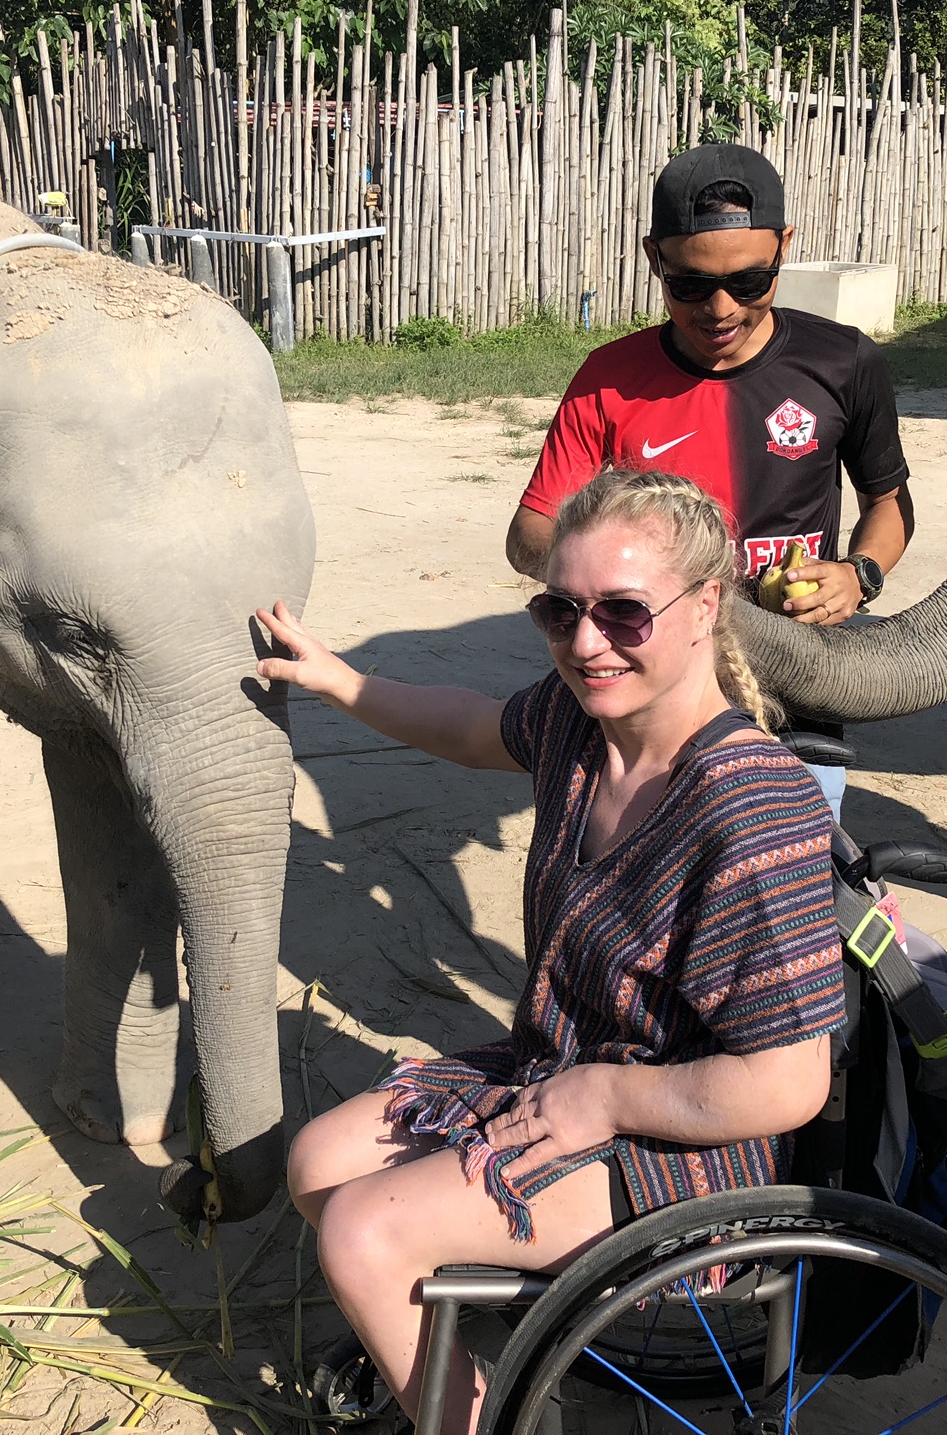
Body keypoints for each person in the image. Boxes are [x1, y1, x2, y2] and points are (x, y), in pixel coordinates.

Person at [263, 469, 846, 1435]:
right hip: (563, 1073)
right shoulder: (583, 728)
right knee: (320, 1165)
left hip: (693, 1149)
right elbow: (468, 724)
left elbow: (788, 1085)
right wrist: (339, 679)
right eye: (560, 611)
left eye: (624, 612)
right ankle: (473, 1389)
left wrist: (608, 1098)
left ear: (706, 605)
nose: (586, 644)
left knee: (365, 1232)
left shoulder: (751, 811)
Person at [504, 143, 914, 820]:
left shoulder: (844, 362)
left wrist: (859, 574)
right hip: (652, 687)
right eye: (690, 285)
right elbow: (530, 535)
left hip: (799, 681)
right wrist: (636, 586)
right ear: (653, 259)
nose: (721, 309)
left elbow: (889, 504)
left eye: (751, 282)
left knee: (791, 887)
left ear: (786, 246)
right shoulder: (608, 378)